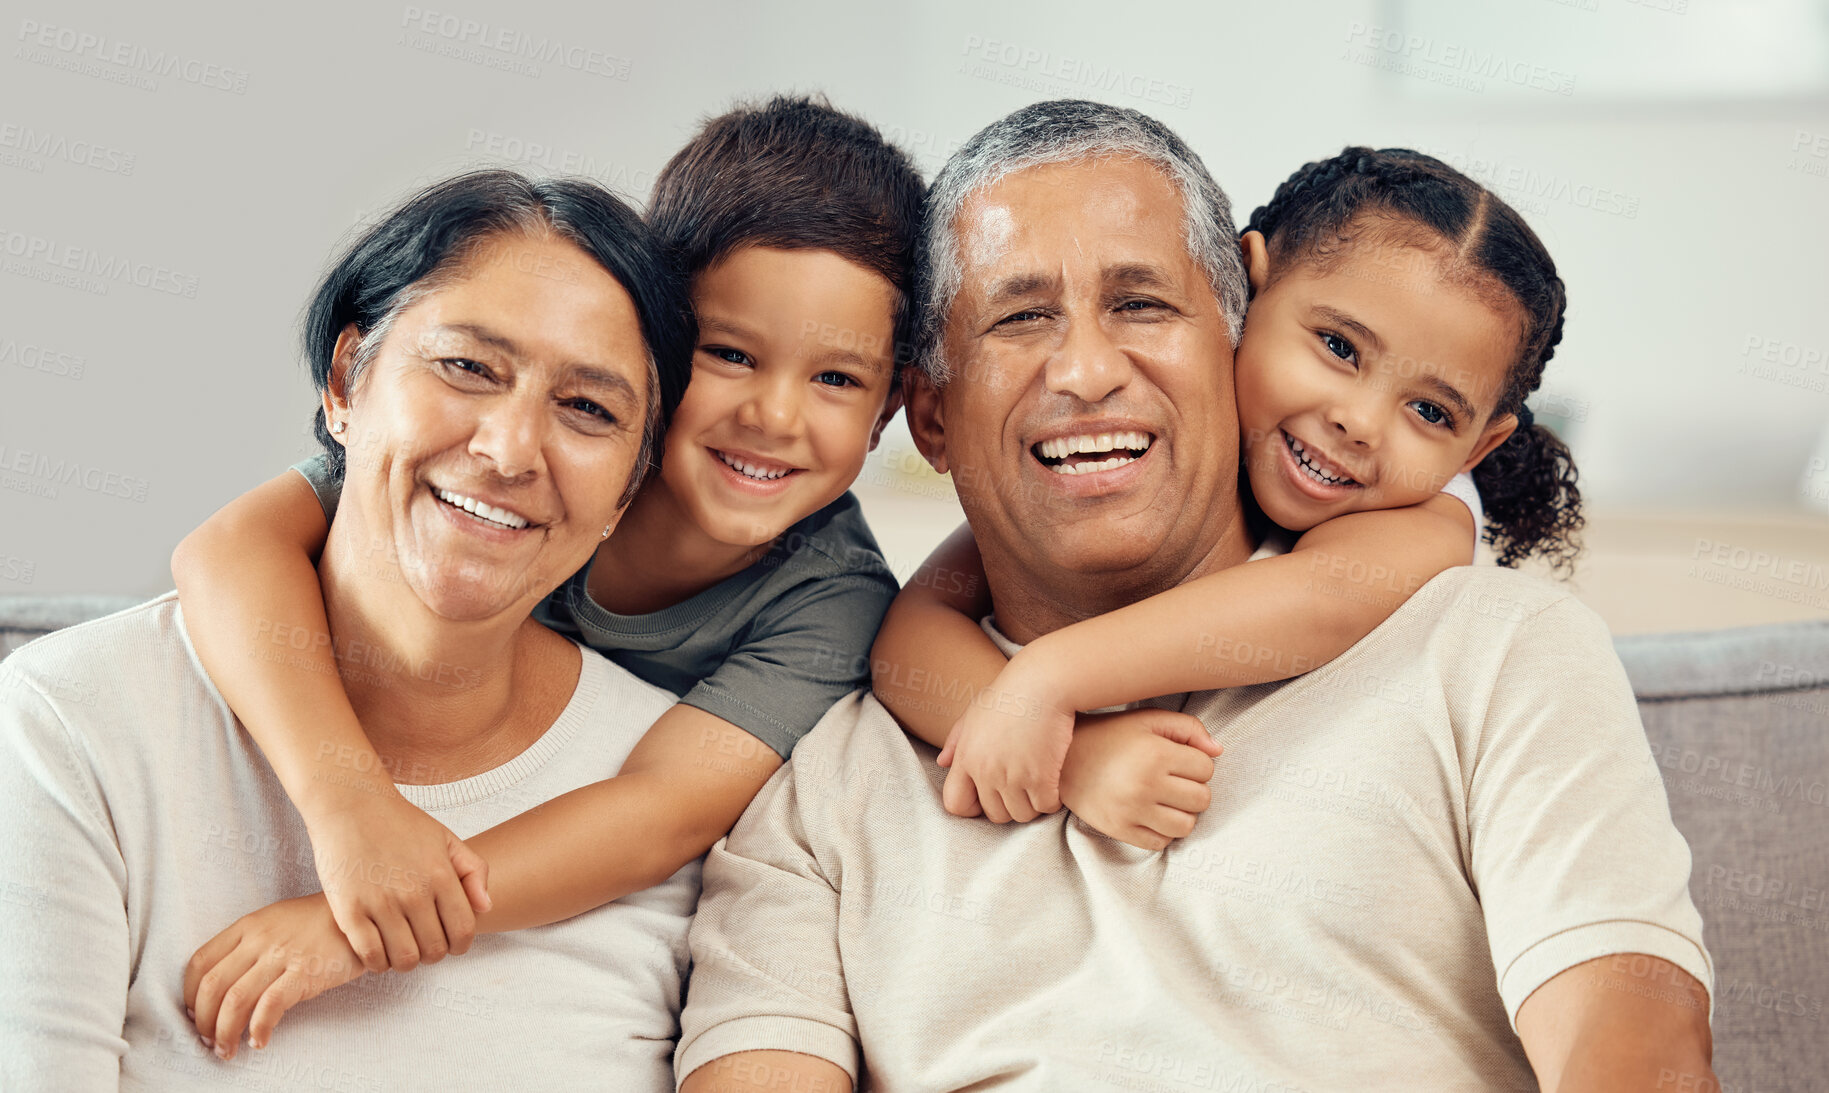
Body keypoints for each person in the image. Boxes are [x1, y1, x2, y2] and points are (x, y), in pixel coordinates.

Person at [676, 101, 1716, 1091]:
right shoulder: (818, 788)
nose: (1085, 370)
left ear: (1232, 332)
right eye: (1022, 315)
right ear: (931, 418)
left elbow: (1632, 1049)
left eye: (1139, 303)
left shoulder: (1492, 645)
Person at [167, 96, 923, 1053]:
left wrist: (361, 921)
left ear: (891, 407)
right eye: (729, 354)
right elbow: (228, 548)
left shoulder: (833, 597)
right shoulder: (502, 456)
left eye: (836, 380)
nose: (775, 416)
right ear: (646, 343)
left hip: (529, 868)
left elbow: (653, 812)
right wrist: (350, 802)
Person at [0, 170, 708, 1089]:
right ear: (345, 383)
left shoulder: (674, 781)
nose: (507, 449)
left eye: (588, 409)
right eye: (467, 366)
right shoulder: (71, 722)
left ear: (629, 487)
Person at [872, 144, 1585, 842]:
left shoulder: (1428, 517)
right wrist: (1077, 753)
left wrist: (1051, 678)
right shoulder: (1169, 455)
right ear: (1246, 290)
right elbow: (911, 633)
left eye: (1430, 412)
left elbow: (1320, 598)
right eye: (1338, 347)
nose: (1358, 422)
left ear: (1479, 443)